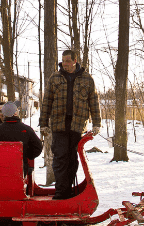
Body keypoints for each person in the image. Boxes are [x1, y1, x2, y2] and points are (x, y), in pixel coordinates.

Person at [39, 49, 102, 200]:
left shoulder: (87, 79)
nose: (65, 64)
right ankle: (61, 192)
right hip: (59, 124)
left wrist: (97, 123)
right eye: (63, 60)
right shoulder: (55, 78)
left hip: (78, 124)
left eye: (68, 61)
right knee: (60, 157)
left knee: (73, 159)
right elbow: (47, 101)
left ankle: (68, 190)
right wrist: (43, 123)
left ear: (75, 61)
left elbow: (93, 102)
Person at [0, 101, 43, 175]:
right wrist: (27, 155)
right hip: (21, 170)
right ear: (16, 113)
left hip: (0, 170)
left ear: (4, 114)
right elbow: (38, 147)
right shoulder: (27, 130)